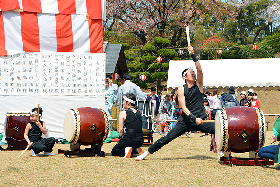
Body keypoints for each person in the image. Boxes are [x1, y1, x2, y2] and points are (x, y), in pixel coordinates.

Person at [135, 45, 215, 161]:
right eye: (190, 72)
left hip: (201, 120)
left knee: (220, 129)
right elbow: (183, 107)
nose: (193, 73)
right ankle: (146, 153)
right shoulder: (181, 89)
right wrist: (194, 118)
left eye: (193, 72)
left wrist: (193, 54)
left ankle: (222, 152)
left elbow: (199, 69)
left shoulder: (199, 85)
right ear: (184, 77)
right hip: (186, 120)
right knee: (167, 138)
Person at [111, 93, 144, 158]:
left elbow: (121, 130)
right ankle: (136, 150)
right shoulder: (139, 113)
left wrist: (120, 139)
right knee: (130, 145)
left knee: (114, 151)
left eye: (124, 101)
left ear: (128, 102)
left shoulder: (123, 113)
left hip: (129, 139)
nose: (123, 103)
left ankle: (127, 150)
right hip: (140, 140)